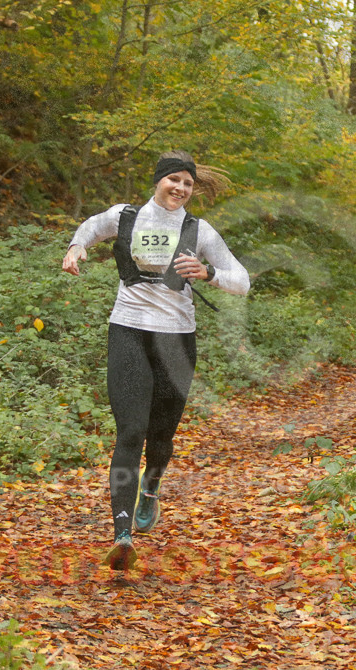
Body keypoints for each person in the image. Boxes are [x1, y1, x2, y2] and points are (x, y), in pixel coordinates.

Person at [62, 151, 250, 570]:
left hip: (176, 340)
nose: (180, 188)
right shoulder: (125, 216)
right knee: (131, 430)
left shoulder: (199, 231)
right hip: (127, 330)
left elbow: (242, 281)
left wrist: (209, 274)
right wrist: (76, 247)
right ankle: (122, 534)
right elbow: (91, 227)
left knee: (161, 435)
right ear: (158, 180)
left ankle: (150, 490)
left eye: (187, 183)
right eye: (174, 180)